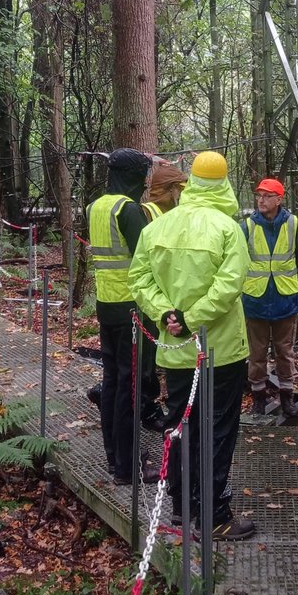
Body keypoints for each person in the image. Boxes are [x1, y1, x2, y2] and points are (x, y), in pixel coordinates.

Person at [129, 150, 255, 540]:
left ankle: (183, 506)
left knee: (180, 425)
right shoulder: (228, 229)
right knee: (217, 431)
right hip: (221, 351)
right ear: (224, 183)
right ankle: (214, 516)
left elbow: (139, 279)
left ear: (191, 183)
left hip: (176, 350)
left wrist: (167, 314)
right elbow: (230, 285)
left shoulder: (158, 228)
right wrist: (191, 318)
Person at [86, 158, 188, 429]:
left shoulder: (97, 206)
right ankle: (134, 426)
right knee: (134, 370)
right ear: (171, 190)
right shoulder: (136, 211)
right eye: (180, 189)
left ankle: (122, 427)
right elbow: (149, 258)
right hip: (134, 300)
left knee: (121, 372)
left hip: (108, 299)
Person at [86, 147, 158, 485]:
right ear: (131, 177)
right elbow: (147, 256)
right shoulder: (127, 210)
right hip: (132, 307)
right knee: (129, 387)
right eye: (142, 176)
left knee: (113, 383)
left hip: (106, 305)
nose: (144, 184)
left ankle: (115, 457)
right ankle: (128, 467)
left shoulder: (96, 206)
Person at [241, 177, 298, 418]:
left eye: (267, 196)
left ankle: (287, 397)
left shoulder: (293, 224)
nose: (261, 200)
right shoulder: (247, 226)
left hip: (284, 299)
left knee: (284, 352)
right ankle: (259, 397)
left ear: (279, 200)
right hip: (255, 299)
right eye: (259, 195)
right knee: (256, 353)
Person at [137, 159, 188, 431]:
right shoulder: (148, 214)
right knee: (145, 361)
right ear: (171, 190)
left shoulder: (170, 215)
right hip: (148, 300)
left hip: (161, 300)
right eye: (180, 189)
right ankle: (147, 410)